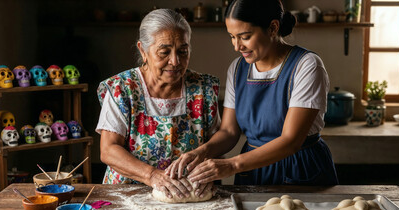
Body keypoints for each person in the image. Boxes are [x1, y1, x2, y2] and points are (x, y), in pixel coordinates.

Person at [166, 0, 339, 186]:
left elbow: (291, 141)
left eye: (245, 36)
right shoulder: (238, 68)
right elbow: (229, 131)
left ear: (273, 28)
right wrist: (201, 152)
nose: (237, 46)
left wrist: (232, 165)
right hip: (252, 170)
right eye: (232, 37)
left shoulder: (306, 65)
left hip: (299, 167)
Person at [96, 9, 220, 199]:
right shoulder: (122, 89)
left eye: (183, 52)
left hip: (187, 195)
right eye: (164, 52)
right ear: (143, 50)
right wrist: (152, 175)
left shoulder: (203, 88)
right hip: (127, 195)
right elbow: (109, 150)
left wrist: (209, 173)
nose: (175, 61)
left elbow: (217, 146)